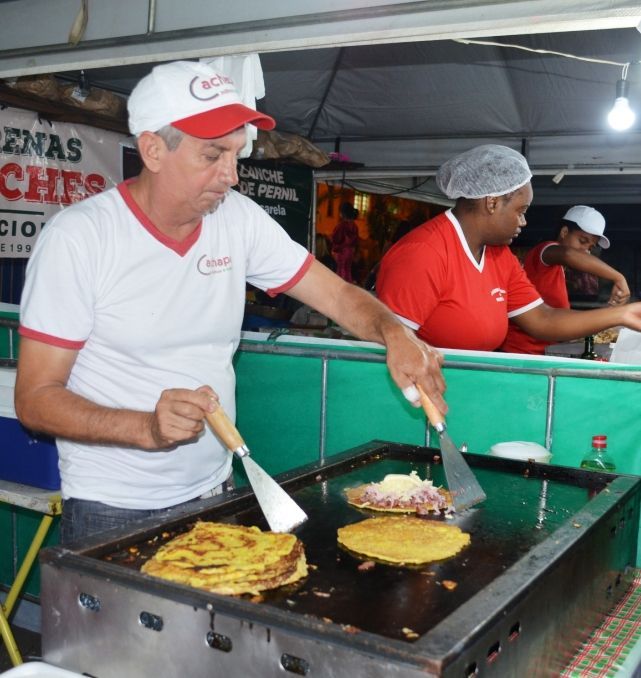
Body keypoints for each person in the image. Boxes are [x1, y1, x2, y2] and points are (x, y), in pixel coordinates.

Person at [14, 60, 445, 544]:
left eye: (236, 154)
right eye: (213, 155)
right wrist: (146, 428)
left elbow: (338, 295)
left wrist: (393, 333)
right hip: (114, 506)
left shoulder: (238, 219)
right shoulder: (80, 238)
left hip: (215, 491)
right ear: (153, 150)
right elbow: (35, 399)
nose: (232, 176)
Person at [376, 144, 641, 353]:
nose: (523, 222)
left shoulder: (498, 255)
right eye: (520, 211)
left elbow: (542, 319)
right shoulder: (423, 253)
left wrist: (622, 314)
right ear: (491, 203)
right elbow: (387, 346)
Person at [502, 205, 631, 354]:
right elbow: (568, 254)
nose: (585, 251)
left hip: (545, 351)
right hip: (523, 352)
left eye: (590, 247)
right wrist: (618, 277)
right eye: (582, 241)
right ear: (564, 232)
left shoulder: (558, 269)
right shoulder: (545, 251)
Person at [331, 202, 359, 282]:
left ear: (342, 213)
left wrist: (334, 249)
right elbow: (356, 240)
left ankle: (340, 285)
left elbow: (337, 239)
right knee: (348, 270)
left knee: (341, 269)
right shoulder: (354, 226)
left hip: (342, 251)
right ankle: (348, 284)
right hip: (351, 251)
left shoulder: (341, 225)